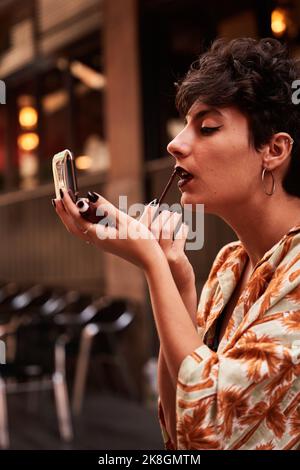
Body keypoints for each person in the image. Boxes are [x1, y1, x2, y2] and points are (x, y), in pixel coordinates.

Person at [53, 37, 300, 450]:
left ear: (273, 149)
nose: (176, 143)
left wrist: (150, 259)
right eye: (185, 124)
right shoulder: (229, 263)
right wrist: (176, 275)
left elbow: (213, 430)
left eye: (207, 127)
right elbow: (180, 431)